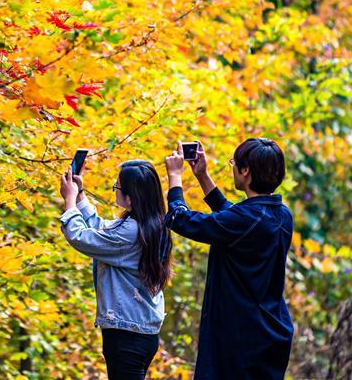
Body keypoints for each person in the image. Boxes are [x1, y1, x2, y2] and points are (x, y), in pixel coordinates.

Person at [163, 139, 293, 380]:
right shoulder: (281, 214)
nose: (233, 167)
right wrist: (202, 176)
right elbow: (232, 216)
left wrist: (175, 176)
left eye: (234, 163)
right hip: (270, 331)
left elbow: (178, 219)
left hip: (240, 338)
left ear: (245, 171)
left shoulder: (246, 220)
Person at [58, 160, 172, 380]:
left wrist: (69, 200)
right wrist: (80, 196)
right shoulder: (151, 224)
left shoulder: (130, 231)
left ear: (131, 197)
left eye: (117, 187)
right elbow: (102, 231)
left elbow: (80, 236)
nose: (114, 190)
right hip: (139, 331)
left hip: (126, 335)